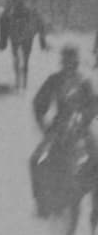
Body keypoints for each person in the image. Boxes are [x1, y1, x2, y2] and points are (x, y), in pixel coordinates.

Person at [30, 44, 98, 215]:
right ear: (62, 63)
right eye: (66, 62)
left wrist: (84, 117)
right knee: (35, 160)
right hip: (58, 127)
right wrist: (42, 123)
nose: (68, 65)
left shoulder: (84, 82)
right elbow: (39, 102)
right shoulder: (54, 80)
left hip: (81, 129)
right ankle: (40, 202)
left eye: (72, 62)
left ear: (76, 63)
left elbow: (94, 105)